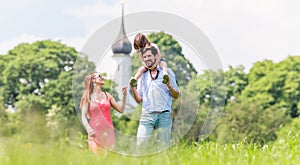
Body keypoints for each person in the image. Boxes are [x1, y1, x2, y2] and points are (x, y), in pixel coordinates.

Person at [130, 46, 179, 151]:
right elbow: (139, 99)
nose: (147, 58)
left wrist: (169, 86)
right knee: (140, 146)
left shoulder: (168, 72)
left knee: (163, 148)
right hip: (147, 115)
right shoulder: (142, 75)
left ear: (156, 56)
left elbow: (176, 95)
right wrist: (132, 88)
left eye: (149, 56)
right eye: (145, 57)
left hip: (164, 115)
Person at [80, 71, 127, 154]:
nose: (102, 77)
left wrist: (124, 96)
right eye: (99, 76)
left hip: (108, 133)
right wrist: (88, 129)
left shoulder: (107, 95)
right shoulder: (87, 97)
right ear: (93, 80)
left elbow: (121, 110)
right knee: (96, 158)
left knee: (107, 159)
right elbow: (83, 116)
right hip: (94, 133)